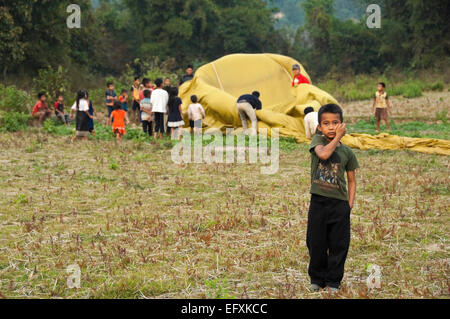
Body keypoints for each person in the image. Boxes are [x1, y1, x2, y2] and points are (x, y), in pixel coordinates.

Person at [307, 104, 359, 293]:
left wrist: (349, 205)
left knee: (339, 244)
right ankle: (316, 278)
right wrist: (338, 136)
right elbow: (324, 154)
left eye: (335, 123)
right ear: (319, 127)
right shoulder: (317, 142)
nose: (330, 127)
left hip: (339, 205)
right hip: (319, 203)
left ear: (342, 124)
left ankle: (334, 281)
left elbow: (352, 181)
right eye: (326, 123)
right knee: (315, 242)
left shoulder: (348, 153)